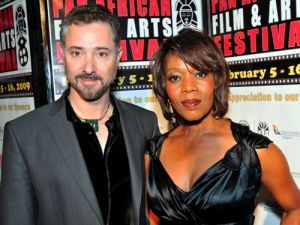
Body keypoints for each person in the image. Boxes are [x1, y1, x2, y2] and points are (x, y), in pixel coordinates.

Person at [0, 4, 160, 225]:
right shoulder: (23, 135)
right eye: (77, 52)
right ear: (62, 54)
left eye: (101, 53)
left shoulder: (145, 123)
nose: (88, 67)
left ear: (118, 56)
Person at [145, 28, 300, 225]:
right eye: (175, 77)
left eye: (200, 73)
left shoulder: (254, 152)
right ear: (164, 87)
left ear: (216, 79)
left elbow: (296, 209)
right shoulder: (152, 153)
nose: (188, 87)